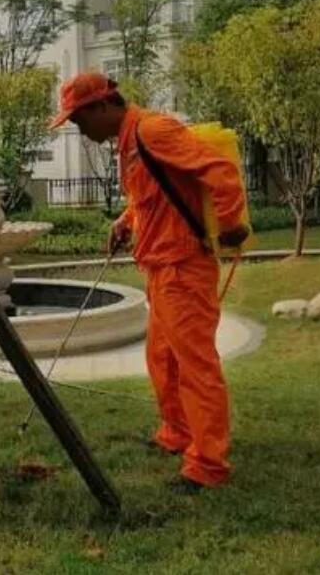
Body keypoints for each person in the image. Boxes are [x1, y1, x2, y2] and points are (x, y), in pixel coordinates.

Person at [48, 72, 249, 492]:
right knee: (162, 359)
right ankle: (177, 432)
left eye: (79, 120)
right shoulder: (129, 141)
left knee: (195, 366)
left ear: (103, 106)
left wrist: (231, 223)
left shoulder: (153, 131)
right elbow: (152, 194)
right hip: (160, 267)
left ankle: (208, 463)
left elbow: (219, 170)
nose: (80, 130)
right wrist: (126, 220)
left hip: (184, 267)